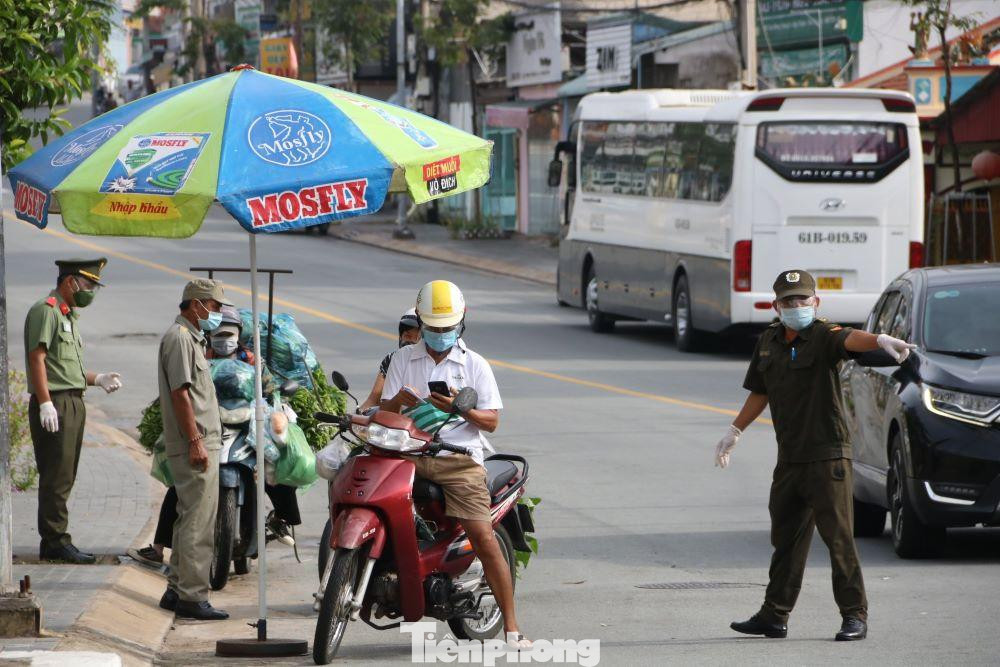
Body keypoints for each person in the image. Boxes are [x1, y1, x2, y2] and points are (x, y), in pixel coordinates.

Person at [719, 270, 916, 642]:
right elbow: (760, 391)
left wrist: (879, 338)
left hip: (827, 458)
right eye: (789, 301)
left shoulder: (823, 335)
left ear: (816, 302)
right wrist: (735, 430)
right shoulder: (768, 342)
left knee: (838, 538)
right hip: (790, 459)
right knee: (785, 540)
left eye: (803, 300)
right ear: (776, 305)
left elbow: (850, 339)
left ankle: (854, 615)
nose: (796, 307)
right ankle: (774, 615)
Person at [380, 280, 530, 648]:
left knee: (481, 536)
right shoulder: (401, 360)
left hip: (458, 461)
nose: (440, 335)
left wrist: (458, 408)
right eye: (433, 328)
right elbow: (384, 413)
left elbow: (491, 421)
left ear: (462, 323)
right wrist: (399, 399)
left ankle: (512, 626)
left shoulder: (475, 364)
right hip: (409, 455)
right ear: (420, 323)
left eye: (447, 329)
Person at [132, 306, 300, 568]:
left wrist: (275, 405)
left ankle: (281, 520)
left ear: (238, 334)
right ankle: (157, 546)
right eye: (218, 334)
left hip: (247, 429)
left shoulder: (253, 362)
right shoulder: (200, 357)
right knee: (180, 485)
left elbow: (271, 393)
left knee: (277, 470)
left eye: (229, 333)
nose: (224, 339)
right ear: (210, 335)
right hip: (210, 428)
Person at [24, 258, 122, 564]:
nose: (91, 291)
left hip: (73, 401)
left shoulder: (68, 316)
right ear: (70, 282)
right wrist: (44, 402)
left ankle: (56, 537)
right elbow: (37, 358)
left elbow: (66, 367)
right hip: (56, 404)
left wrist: (97, 379)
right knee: (56, 475)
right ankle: (54, 541)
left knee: (66, 474)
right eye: (89, 284)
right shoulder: (47, 311)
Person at [156, 279, 232, 620]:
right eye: (214, 307)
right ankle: (192, 596)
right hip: (195, 444)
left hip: (200, 441)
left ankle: (176, 589)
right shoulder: (179, 339)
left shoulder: (190, 338)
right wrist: (195, 441)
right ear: (197, 304)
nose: (216, 314)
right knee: (199, 524)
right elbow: (180, 394)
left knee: (189, 519)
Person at [359, 308, 421, 412]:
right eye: (407, 336)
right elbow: (374, 399)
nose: (411, 342)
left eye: (417, 338)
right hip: (393, 425)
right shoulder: (393, 359)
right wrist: (357, 416)